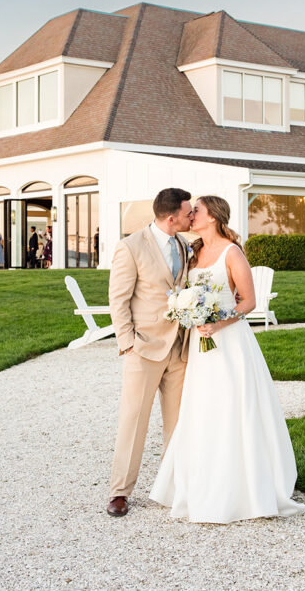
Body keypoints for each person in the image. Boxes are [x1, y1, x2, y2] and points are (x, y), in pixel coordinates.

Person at [149, 196, 305, 524]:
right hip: (200, 341)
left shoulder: (232, 253)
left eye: (198, 212)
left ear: (214, 217)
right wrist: (187, 310)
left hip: (229, 340)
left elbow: (249, 301)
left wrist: (219, 321)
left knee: (234, 405)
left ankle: (244, 485)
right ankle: (201, 480)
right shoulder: (192, 252)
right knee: (202, 407)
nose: (191, 216)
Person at [105, 188, 193, 518]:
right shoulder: (130, 247)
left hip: (180, 350)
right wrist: (127, 343)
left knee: (178, 424)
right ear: (171, 217)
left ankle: (171, 487)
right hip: (142, 349)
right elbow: (119, 299)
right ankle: (119, 492)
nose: (191, 217)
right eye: (188, 213)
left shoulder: (186, 245)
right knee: (133, 421)